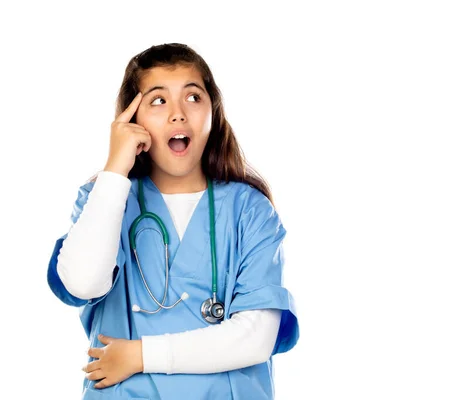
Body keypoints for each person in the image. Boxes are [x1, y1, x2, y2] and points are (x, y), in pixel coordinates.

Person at [46, 43, 299, 400]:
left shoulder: (249, 210)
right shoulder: (103, 200)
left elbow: (257, 337)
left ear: (213, 113)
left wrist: (139, 356)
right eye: (158, 100)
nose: (178, 114)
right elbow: (84, 283)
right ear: (133, 119)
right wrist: (115, 168)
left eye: (193, 98)